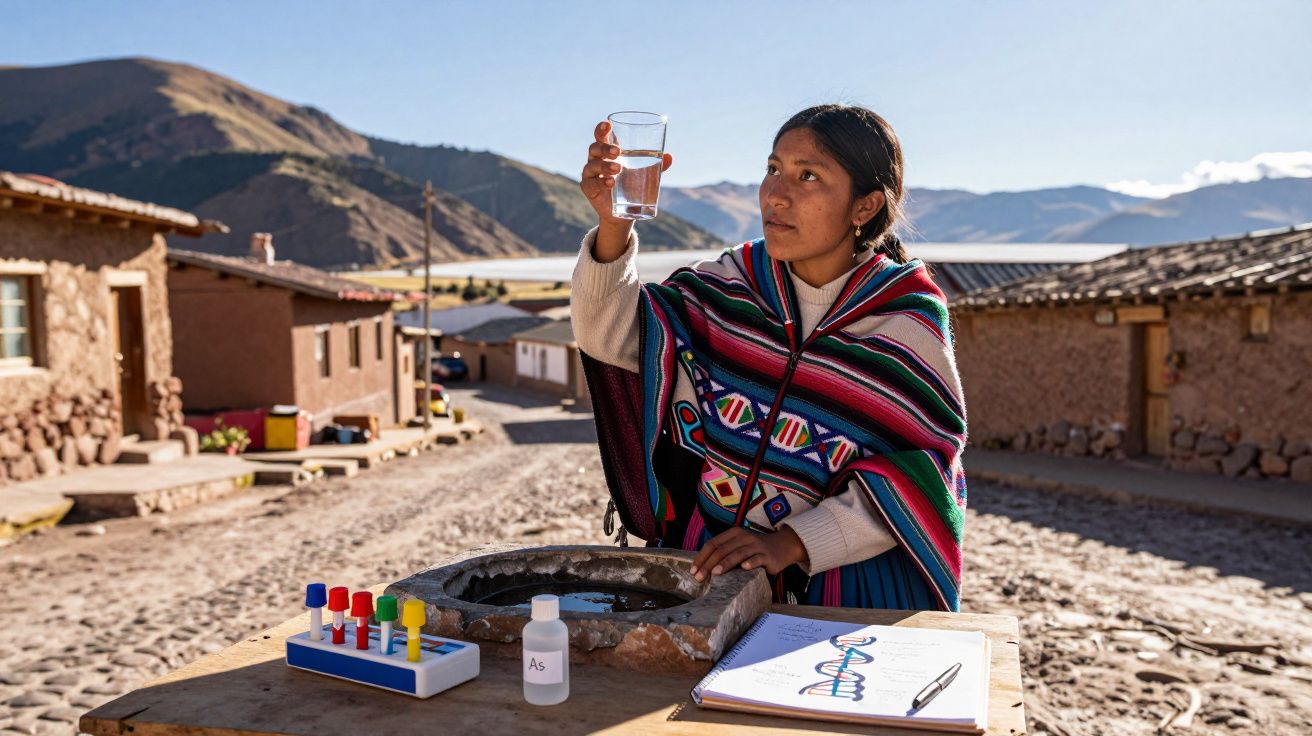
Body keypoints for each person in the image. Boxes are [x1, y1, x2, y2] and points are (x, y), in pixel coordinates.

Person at [571, 104, 968, 611]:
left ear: (864, 207)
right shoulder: (730, 286)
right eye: (773, 169)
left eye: (808, 176)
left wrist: (792, 542)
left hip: (832, 601)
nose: (776, 195)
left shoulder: (902, 324)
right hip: (702, 574)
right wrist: (613, 226)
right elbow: (614, 338)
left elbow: (924, 474)